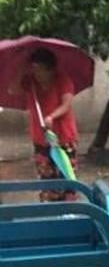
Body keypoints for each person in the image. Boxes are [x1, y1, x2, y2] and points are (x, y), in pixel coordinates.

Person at [8, 48, 78, 201]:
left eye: (40, 70)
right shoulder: (30, 82)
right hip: (41, 138)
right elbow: (12, 89)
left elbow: (66, 105)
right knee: (46, 176)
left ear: (50, 69)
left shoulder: (63, 80)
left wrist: (51, 116)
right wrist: (21, 69)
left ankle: (69, 211)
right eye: (34, 69)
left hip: (63, 137)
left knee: (66, 174)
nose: (37, 74)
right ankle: (49, 209)